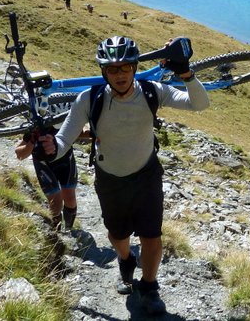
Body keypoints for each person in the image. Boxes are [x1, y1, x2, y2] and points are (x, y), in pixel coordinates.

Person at [38, 35, 209, 315]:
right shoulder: (89, 99)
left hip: (147, 175)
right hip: (110, 180)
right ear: (104, 71)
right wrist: (49, 148)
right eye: (113, 69)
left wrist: (186, 73)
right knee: (117, 235)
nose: (120, 74)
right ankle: (126, 259)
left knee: (152, 235)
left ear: (134, 68)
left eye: (125, 67)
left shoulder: (153, 91)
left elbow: (199, 104)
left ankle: (150, 286)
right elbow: (61, 144)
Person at [15, 125, 79, 232]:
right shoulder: (35, 127)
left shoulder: (65, 122)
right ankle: (57, 234)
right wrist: (32, 141)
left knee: (70, 199)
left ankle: (69, 229)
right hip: (43, 165)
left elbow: (80, 128)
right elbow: (20, 155)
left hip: (66, 161)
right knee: (55, 201)